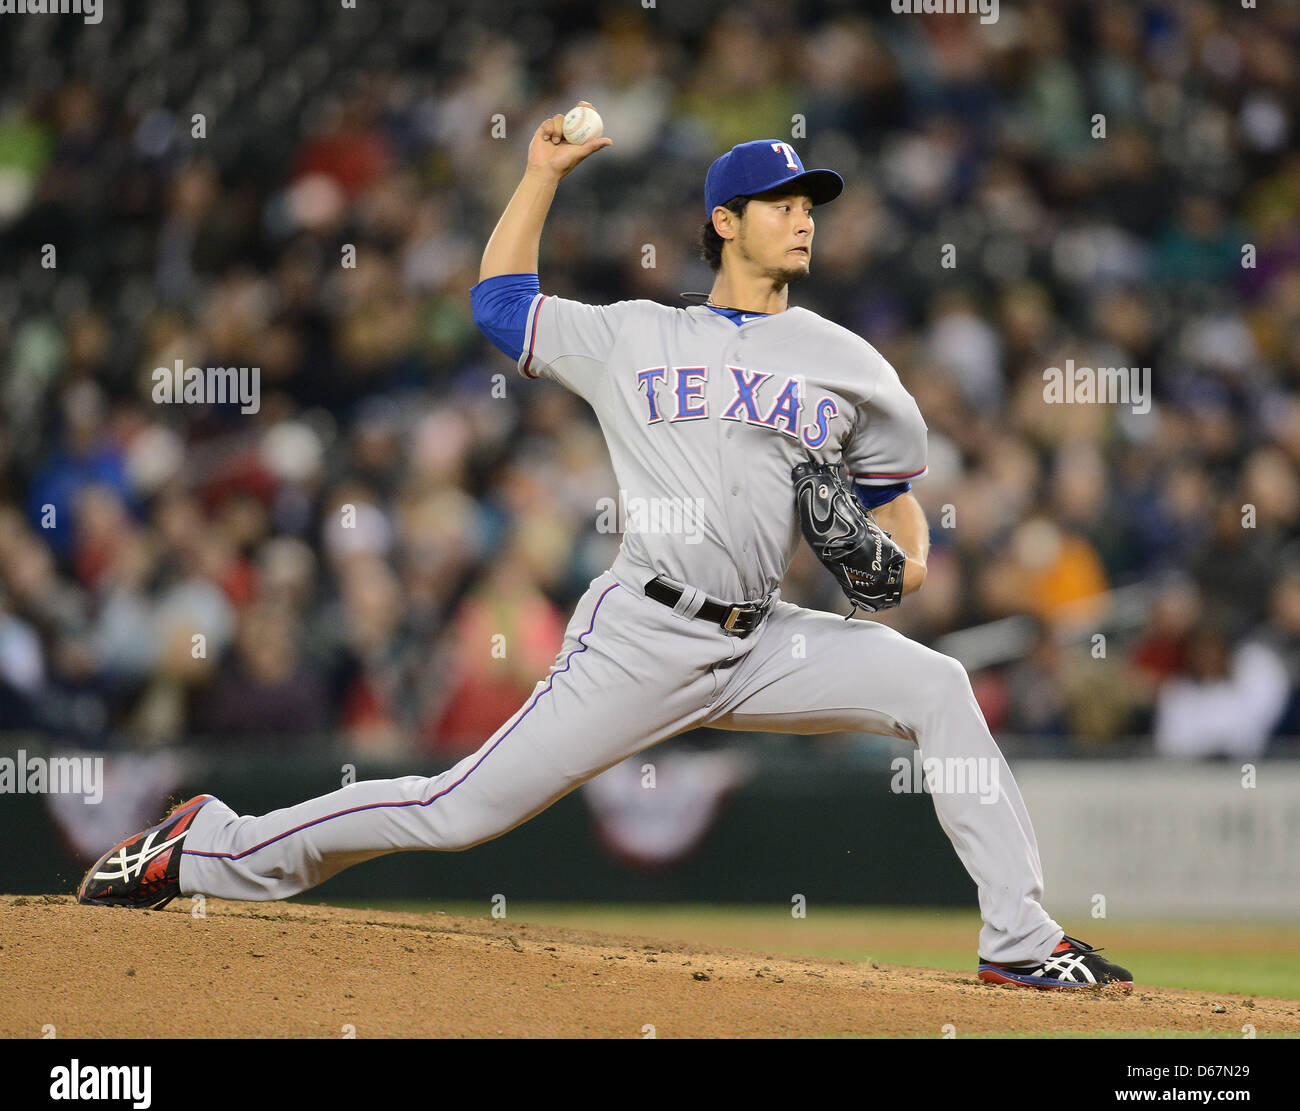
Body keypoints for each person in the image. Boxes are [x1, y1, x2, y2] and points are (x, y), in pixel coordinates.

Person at [79, 105, 1132, 990]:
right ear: (725, 221)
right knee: (456, 812)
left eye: (811, 204)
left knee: (938, 685)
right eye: (781, 204)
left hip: (766, 638)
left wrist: (898, 567)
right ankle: (206, 843)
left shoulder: (849, 363)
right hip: (643, 634)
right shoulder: (636, 333)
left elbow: (898, 515)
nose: (803, 219)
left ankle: (1020, 942)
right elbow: (500, 306)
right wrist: (538, 173)